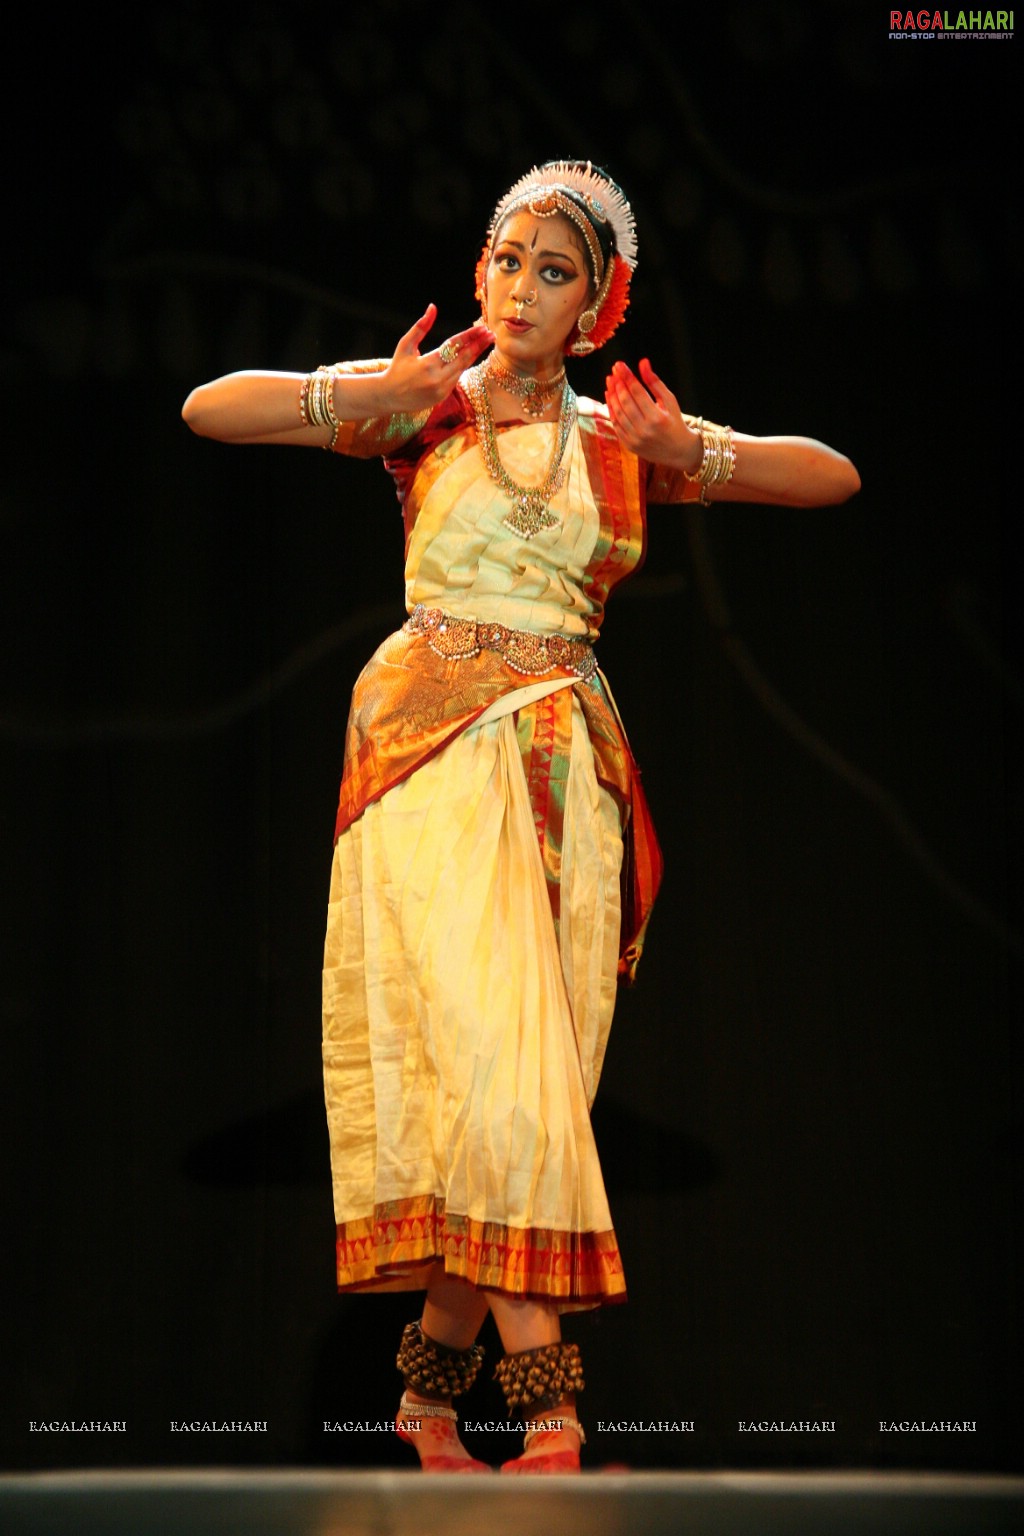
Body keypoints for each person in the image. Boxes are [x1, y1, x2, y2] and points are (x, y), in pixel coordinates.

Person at [182, 159, 860, 1475]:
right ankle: (549, 1406)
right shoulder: (422, 410)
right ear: (481, 269)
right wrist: (357, 394)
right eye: (505, 261)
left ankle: (430, 1399)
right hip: (424, 758)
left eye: (555, 272)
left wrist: (693, 452)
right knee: (492, 1056)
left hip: (565, 766)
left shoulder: (620, 441)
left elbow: (833, 479)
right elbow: (208, 409)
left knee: (518, 1078)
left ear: (600, 305)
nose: (520, 288)